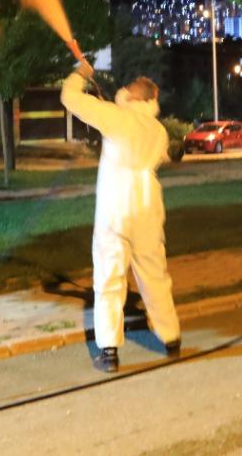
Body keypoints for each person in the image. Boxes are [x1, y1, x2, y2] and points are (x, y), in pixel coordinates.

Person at [60, 60, 180, 373]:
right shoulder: (158, 129)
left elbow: (69, 98)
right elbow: (165, 155)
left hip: (115, 208)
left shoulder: (117, 118)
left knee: (109, 279)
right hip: (148, 207)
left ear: (133, 96)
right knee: (154, 275)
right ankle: (171, 339)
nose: (121, 90)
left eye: (127, 88)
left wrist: (80, 73)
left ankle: (110, 351)